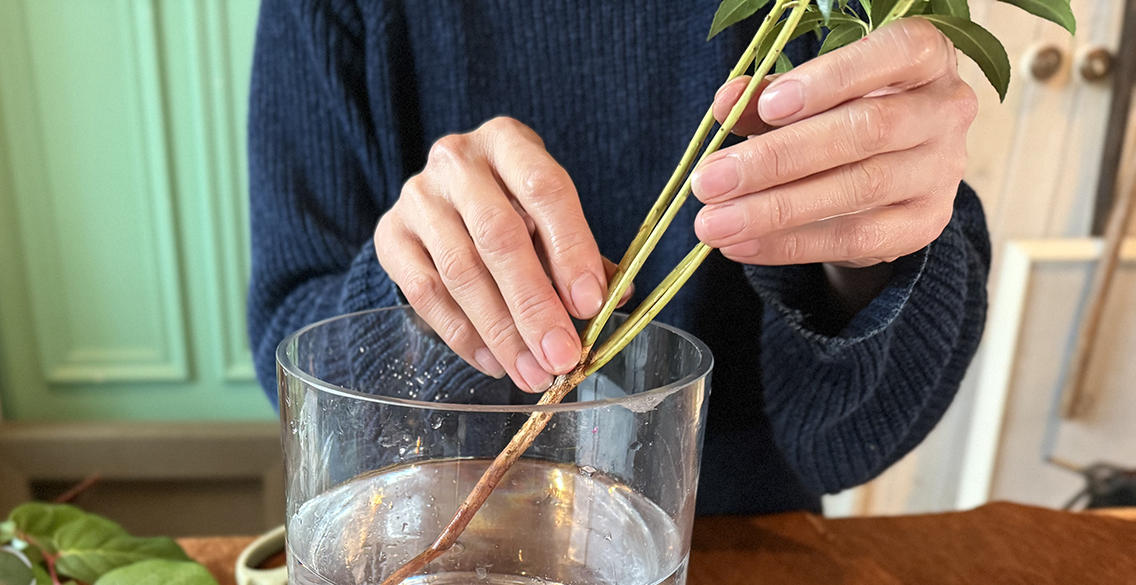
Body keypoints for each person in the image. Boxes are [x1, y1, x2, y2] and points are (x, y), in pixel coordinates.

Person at [246, 0, 989, 515]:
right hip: (430, 556)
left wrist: (868, 256)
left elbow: (846, 443)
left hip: (731, 554)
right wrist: (428, 294)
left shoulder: (819, 13)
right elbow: (294, 359)